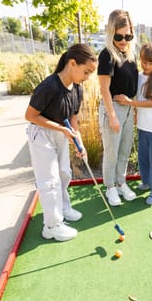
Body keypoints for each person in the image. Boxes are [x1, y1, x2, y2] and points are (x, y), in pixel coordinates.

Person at [25, 43, 97, 241]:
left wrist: (77, 139)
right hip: (41, 134)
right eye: (86, 71)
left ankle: (64, 208)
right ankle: (52, 225)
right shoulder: (48, 86)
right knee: (50, 180)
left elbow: (73, 118)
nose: (88, 77)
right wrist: (62, 129)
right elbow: (30, 116)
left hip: (61, 133)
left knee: (64, 173)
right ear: (72, 63)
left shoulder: (77, 89)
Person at [114, 42, 152, 205]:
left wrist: (130, 103)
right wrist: (136, 114)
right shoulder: (140, 75)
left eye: (150, 63)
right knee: (143, 158)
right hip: (143, 125)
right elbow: (139, 98)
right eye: (144, 61)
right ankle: (146, 183)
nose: (146, 65)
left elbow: (151, 103)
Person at [98, 9, 139, 206]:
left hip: (129, 110)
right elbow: (104, 89)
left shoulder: (131, 56)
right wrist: (112, 115)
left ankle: (121, 183)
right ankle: (110, 187)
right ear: (111, 33)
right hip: (112, 108)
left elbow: (134, 87)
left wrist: (135, 110)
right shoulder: (107, 55)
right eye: (119, 36)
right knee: (111, 152)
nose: (124, 40)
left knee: (124, 150)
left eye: (128, 35)